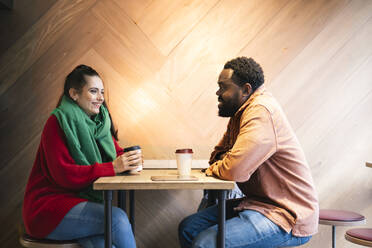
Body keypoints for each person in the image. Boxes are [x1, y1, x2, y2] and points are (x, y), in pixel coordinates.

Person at [179, 57, 319, 248]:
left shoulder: (261, 111)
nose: (217, 93)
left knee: (206, 243)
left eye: (223, 87)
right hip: (256, 203)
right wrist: (225, 162)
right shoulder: (240, 113)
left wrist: (225, 163)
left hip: (286, 213)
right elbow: (217, 157)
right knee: (189, 228)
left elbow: (233, 170)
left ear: (245, 90)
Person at [22, 65, 142, 248]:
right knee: (117, 219)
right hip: (48, 209)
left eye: (102, 92)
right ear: (74, 94)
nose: (101, 98)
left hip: (78, 204)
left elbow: (113, 153)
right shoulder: (58, 121)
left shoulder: (97, 123)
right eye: (93, 91)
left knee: (105, 244)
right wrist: (114, 167)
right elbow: (64, 175)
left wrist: (130, 158)